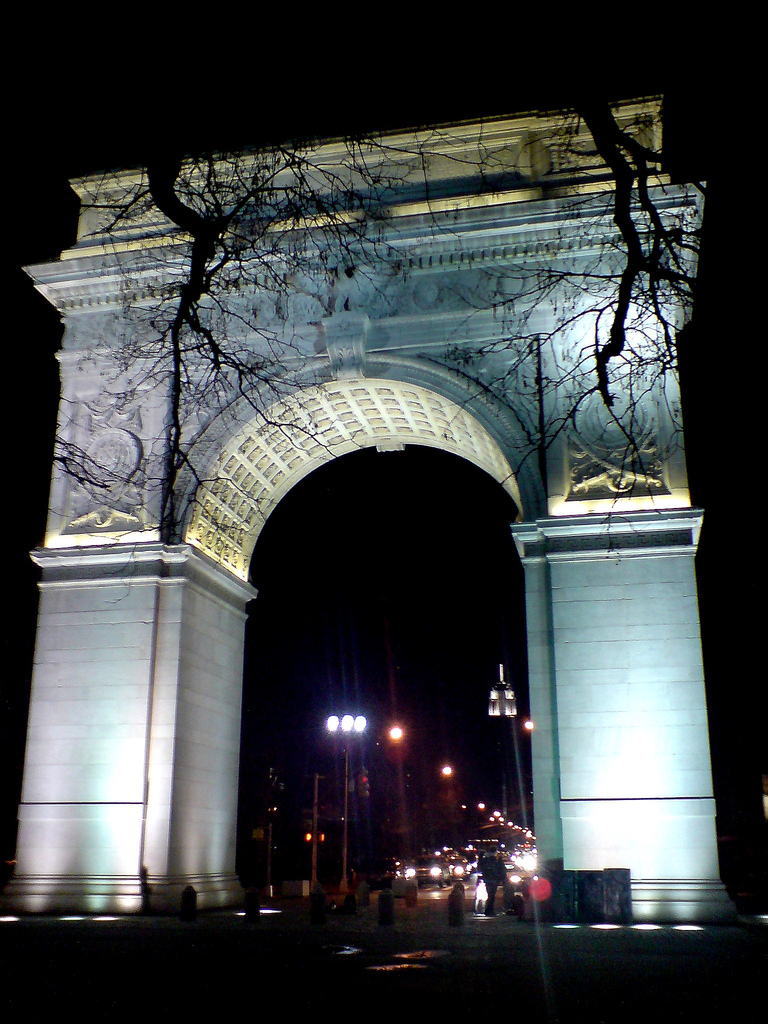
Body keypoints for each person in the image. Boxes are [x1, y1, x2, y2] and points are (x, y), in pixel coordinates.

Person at [482, 849, 507, 916]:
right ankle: (489, 910)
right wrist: (502, 878)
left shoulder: (485, 859)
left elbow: (482, 869)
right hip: (494, 879)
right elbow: (502, 870)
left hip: (488, 879)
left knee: (490, 894)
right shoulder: (497, 860)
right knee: (492, 895)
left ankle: (489, 910)